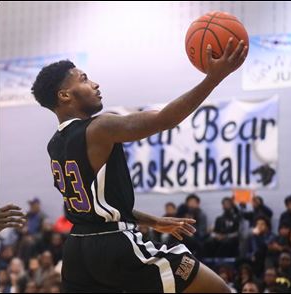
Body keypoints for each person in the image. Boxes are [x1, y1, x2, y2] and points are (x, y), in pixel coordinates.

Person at [31, 37, 247, 293]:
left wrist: (153, 221)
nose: (95, 84)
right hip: (114, 246)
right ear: (65, 95)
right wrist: (213, 78)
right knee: (217, 289)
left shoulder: (54, 144)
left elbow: (95, 208)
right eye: (84, 79)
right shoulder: (100, 126)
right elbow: (164, 119)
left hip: (77, 251)